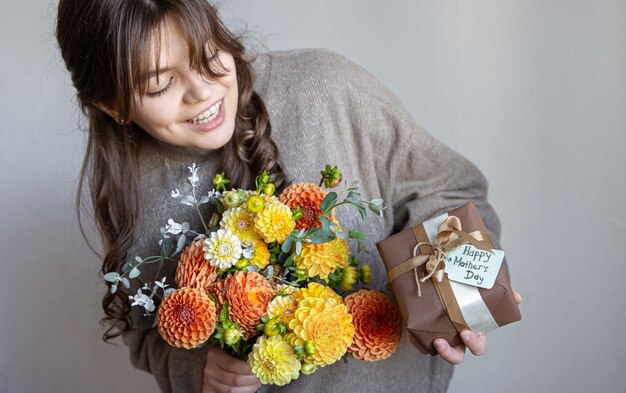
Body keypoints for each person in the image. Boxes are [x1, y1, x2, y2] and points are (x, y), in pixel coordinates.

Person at [56, 0, 521, 392]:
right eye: (161, 84)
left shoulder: (326, 88)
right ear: (112, 106)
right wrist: (201, 370)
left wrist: (460, 299)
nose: (202, 92)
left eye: (206, 55)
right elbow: (144, 334)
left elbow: (450, 188)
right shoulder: (126, 188)